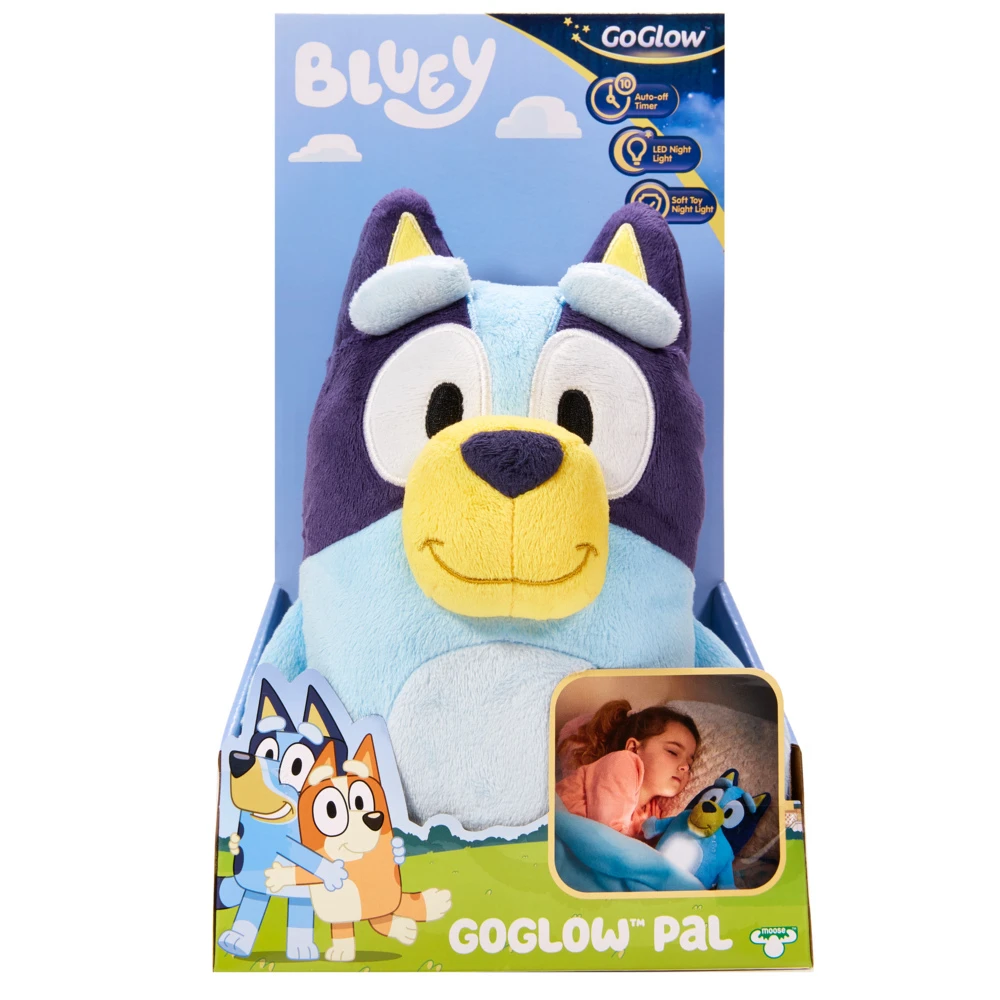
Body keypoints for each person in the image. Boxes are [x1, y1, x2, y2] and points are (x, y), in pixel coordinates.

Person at [556, 700, 699, 840]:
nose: (685, 767)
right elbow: (608, 836)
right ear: (633, 748)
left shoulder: (652, 813)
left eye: (690, 764)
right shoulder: (621, 763)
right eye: (673, 752)